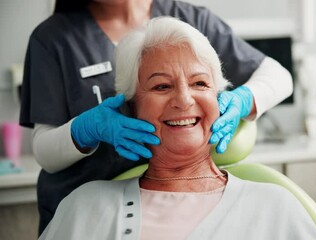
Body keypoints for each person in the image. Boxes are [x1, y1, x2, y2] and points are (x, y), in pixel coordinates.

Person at [19, 0, 293, 233]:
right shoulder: (55, 38)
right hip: (97, 221)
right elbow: (44, 150)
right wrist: (85, 129)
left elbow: (278, 76)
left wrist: (243, 100)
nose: (184, 100)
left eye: (199, 83)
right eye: (162, 86)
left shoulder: (190, 19)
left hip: (185, 201)